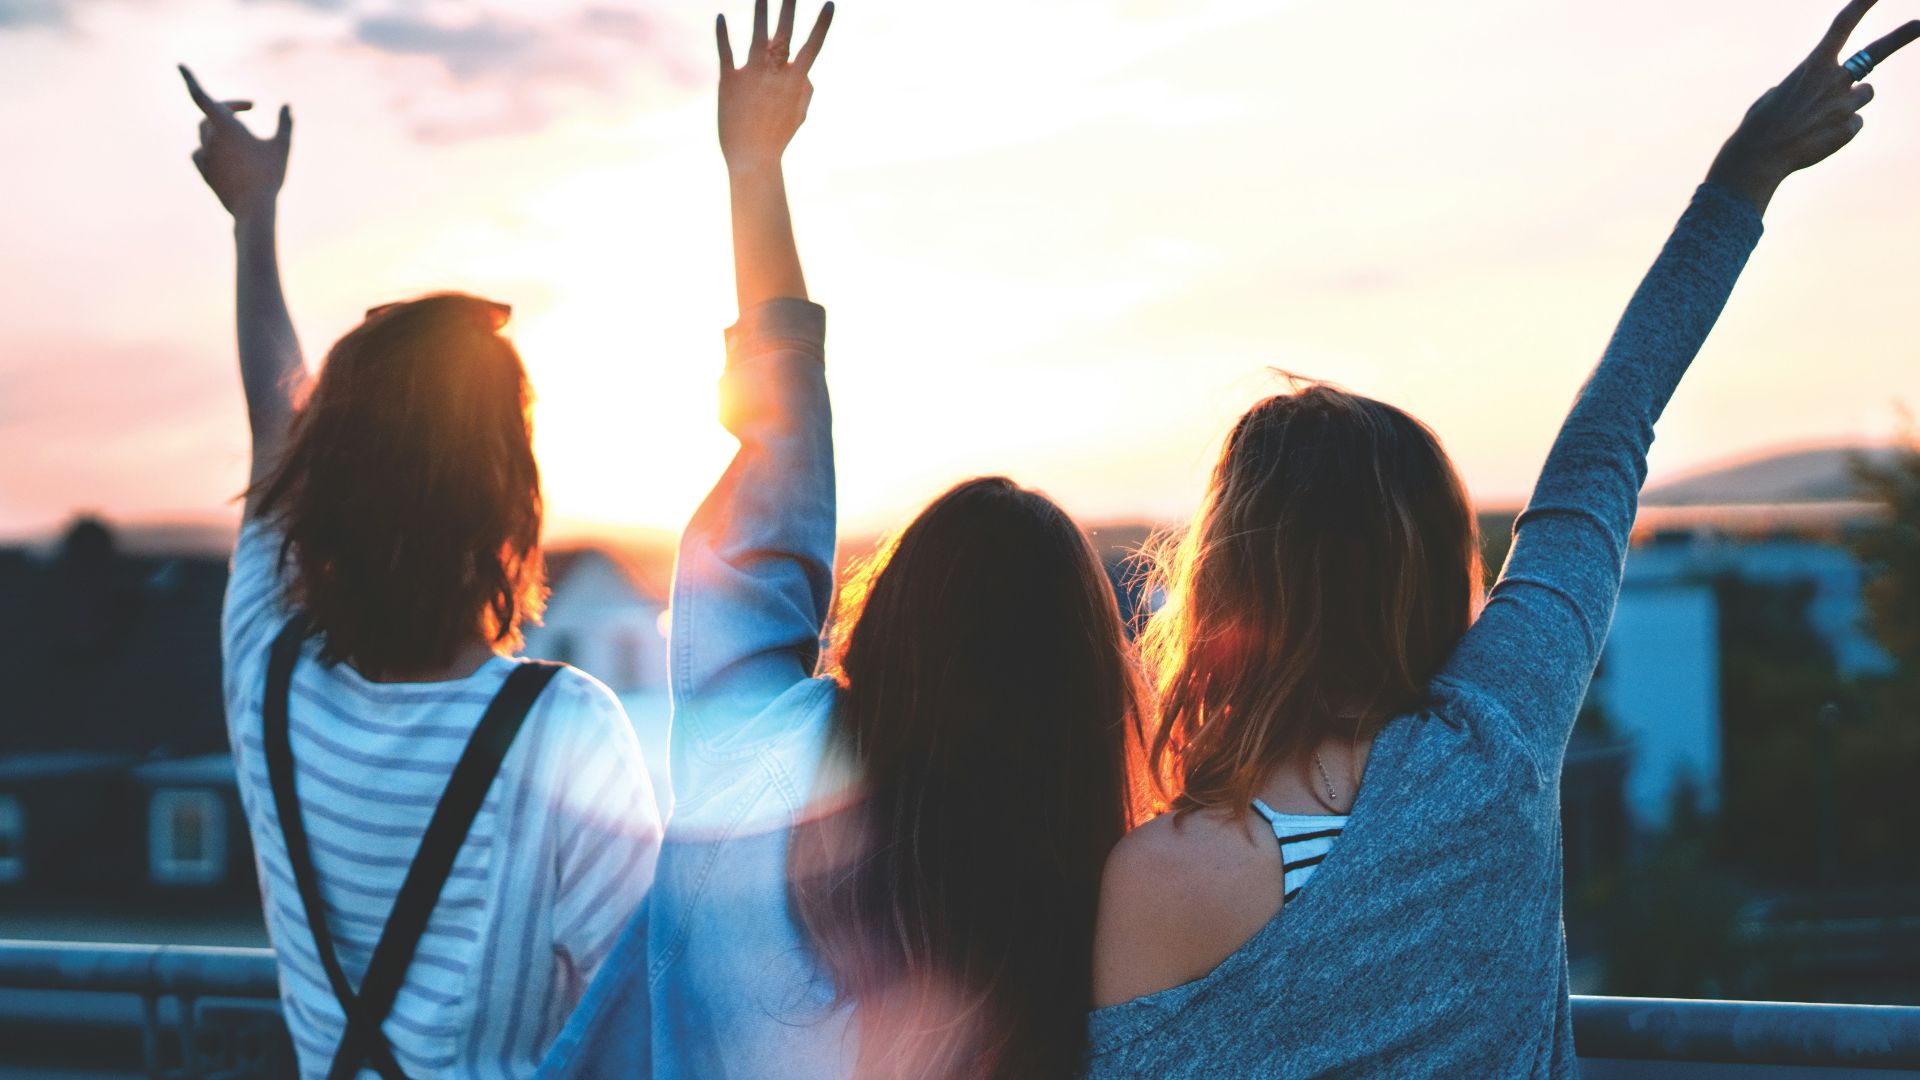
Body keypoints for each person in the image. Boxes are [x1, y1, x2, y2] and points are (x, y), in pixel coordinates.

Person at [1085, 3, 1918, 1075]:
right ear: (1433, 571)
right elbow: (1606, 439)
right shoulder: (1495, 739)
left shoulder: (1158, 879)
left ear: (1228, 581)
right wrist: (1744, 178)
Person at [536, 4, 1147, 1078]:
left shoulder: (752, 770)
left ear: (893, 622)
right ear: (1082, 688)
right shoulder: (1099, 921)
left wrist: (753, 168)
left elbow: (777, 480)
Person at [182, 66, 662, 1079]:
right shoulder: (565, 734)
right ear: (509, 501)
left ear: (323, 486)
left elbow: (274, 425)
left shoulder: (268, 672)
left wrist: (253, 218)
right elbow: (646, 1030)